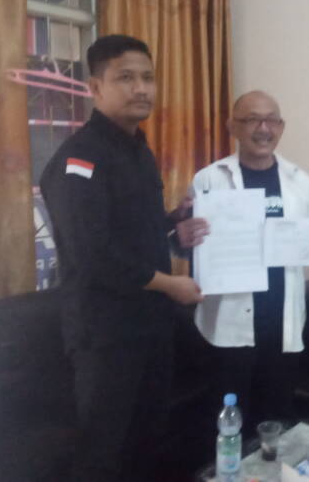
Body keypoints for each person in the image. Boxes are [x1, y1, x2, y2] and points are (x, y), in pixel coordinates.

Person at [40, 34, 203, 482]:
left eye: (148, 78)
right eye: (126, 78)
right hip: (106, 336)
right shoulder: (79, 159)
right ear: (95, 87)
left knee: (146, 443)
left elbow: (132, 230)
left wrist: (174, 222)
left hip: (152, 326)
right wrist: (171, 284)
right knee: (103, 455)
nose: (141, 89)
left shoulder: (139, 150)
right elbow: (94, 254)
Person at [176, 90, 309, 432]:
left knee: (277, 421)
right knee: (228, 425)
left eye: (271, 120)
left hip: (282, 326)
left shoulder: (303, 184)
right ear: (233, 127)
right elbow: (191, 248)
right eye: (252, 119)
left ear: (281, 127)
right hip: (228, 326)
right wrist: (183, 237)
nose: (263, 128)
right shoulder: (209, 179)